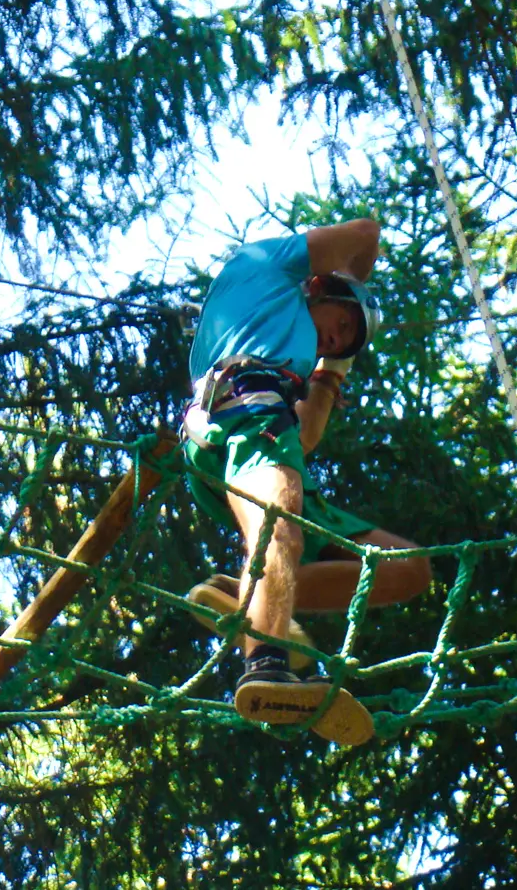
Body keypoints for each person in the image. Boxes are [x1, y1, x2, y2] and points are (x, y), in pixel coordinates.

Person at [182, 218, 432, 746]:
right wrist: (351, 284)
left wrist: (329, 372)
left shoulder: (299, 358)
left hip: (267, 425)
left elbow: (310, 434)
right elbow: (366, 234)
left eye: (344, 339)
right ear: (318, 289)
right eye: (340, 321)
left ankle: (253, 599)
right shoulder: (269, 269)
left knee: (407, 569)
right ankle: (267, 662)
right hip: (244, 407)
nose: (336, 337)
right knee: (280, 527)